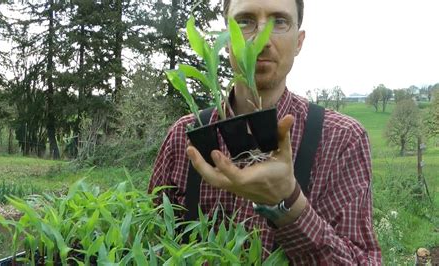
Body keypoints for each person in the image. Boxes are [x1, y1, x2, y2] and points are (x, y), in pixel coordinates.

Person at [149, 0, 382, 264]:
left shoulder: (341, 140)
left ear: (299, 41)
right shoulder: (184, 136)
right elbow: (149, 243)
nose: (261, 39)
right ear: (226, 40)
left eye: (279, 22)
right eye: (245, 21)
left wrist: (290, 204)